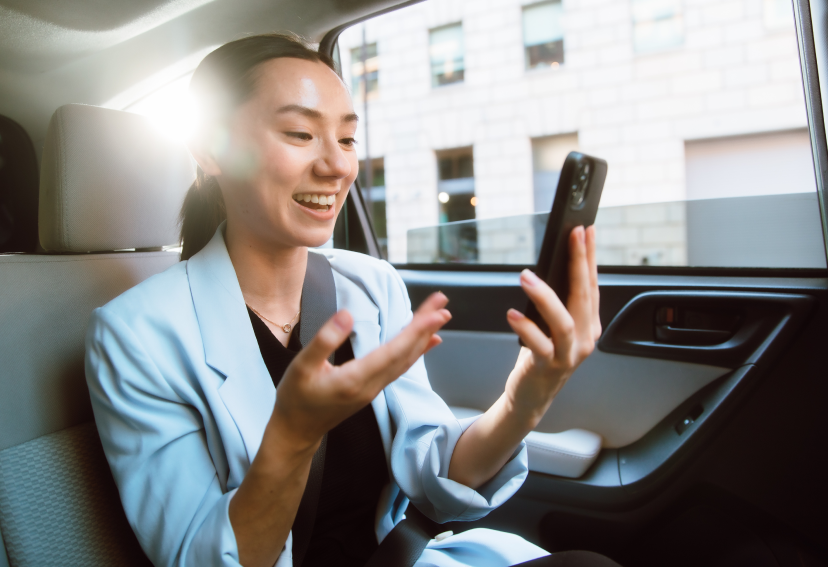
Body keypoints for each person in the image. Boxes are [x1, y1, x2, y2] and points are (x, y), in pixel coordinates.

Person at [85, 33, 616, 567]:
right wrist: (293, 438)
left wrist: (526, 397)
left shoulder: (372, 286)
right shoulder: (136, 335)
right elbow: (202, 559)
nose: (337, 166)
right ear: (210, 149)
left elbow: (434, 477)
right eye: (300, 133)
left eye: (346, 139)